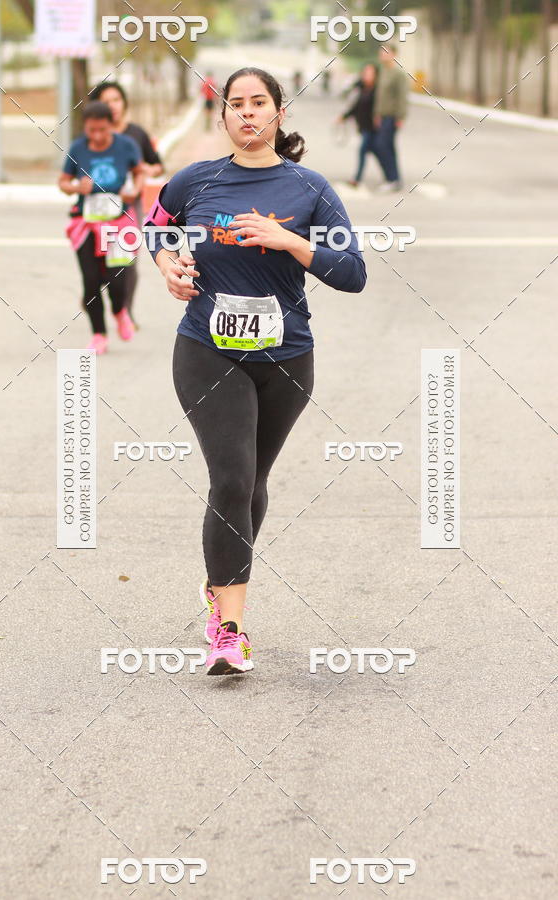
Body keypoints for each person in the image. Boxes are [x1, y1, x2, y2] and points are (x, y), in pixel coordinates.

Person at [144, 67, 366, 676]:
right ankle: (231, 632)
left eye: (258, 103)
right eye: (235, 104)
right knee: (233, 478)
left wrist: (288, 240)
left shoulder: (309, 188)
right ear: (222, 117)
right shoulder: (194, 181)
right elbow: (154, 228)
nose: (246, 113)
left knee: (253, 482)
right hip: (206, 351)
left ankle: (219, 588)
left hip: (287, 358)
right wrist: (167, 265)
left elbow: (353, 271)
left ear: (279, 113)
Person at [58, 101, 144, 354]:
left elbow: (139, 172)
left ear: (111, 126)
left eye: (102, 131)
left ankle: (120, 311)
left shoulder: (126, 146)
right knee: (90, 281)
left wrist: (135, 189)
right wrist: (76, 187)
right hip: (86, 222)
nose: (96, 136)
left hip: (118, 223)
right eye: (91, 130)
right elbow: (62, 182)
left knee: (118, 280)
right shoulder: (78, 147)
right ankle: (99, 334)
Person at [88, 80, 164, 328]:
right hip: (96, 207)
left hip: (129, 207)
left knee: (126, 261)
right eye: (106, 101)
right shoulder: (91, 135)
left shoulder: (136, 134)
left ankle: (124, 311)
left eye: (117, 100)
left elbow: (157, 164)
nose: (113, 106)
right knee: (96, 260)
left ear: (124, 103)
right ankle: (93, 298)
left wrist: (145, 171)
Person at [337, 62, 387, 187]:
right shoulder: (361, 88)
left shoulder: (378, 90)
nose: (367, 75)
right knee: (377, 152)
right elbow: (356, 107)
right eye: (365, 73)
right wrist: (344, 117)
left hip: (373, 128)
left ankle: (357, 178)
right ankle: (390, 176)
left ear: (376, 75)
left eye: (370, 73)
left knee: (363, 150)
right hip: (363, 126)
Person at [373, 43, 408, 191]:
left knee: (382, 146)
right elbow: (379, 97)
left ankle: (392, 179)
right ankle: (393, 179)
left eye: (385, 52)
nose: (382, 55)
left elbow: (402, 97)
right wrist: (376, 114)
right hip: (382, 116)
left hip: (392, 117)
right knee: (387, 147)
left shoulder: (398, 74)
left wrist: (401, 117)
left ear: (393, 54)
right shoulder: (383, 72)